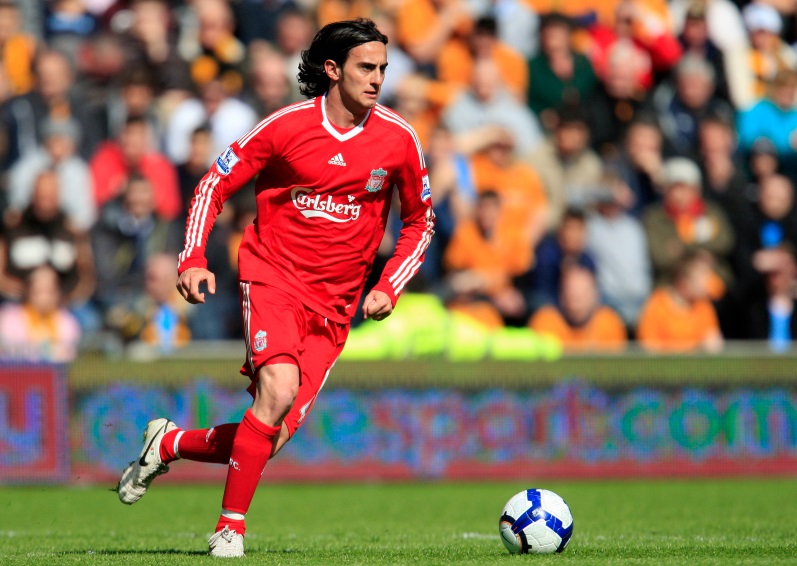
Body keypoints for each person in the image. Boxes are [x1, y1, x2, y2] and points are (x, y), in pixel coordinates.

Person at [116, 19, 434, 558]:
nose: (378, 78)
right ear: (332, 70)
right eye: (366, 67)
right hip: (274, 279)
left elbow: (421, 222)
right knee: (278, 390)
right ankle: (230, 530)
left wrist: (390, 284)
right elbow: (214, 183)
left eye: (383, 68)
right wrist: (192, 258)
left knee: (269, 434)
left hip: (336, 307)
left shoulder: (398, 139)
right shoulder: (286, 126)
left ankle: (168, 443)